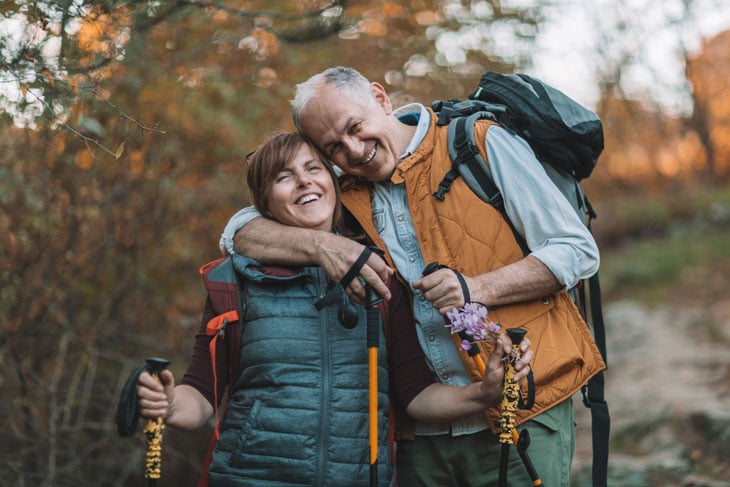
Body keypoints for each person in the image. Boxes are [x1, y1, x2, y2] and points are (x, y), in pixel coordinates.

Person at [219, 67, 607, 486]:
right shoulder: (343, 187)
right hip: (420, 433)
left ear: (380, 99)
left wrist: (475, 288)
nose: (354, 149)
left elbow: (576, 250)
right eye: (334, 146)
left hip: (522, 408)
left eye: (356, 126)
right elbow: (239, 230)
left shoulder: (478, 143)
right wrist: (324, 246)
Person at [136, 131, 533, 486]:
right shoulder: (233, 282)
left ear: (333, 182)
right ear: (265, 204)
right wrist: (166, 403)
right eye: (283, 176)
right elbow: (201, 395)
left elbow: (415, 395)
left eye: (313, 168)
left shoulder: (383, 278)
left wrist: (485, 393)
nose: (304, 180)